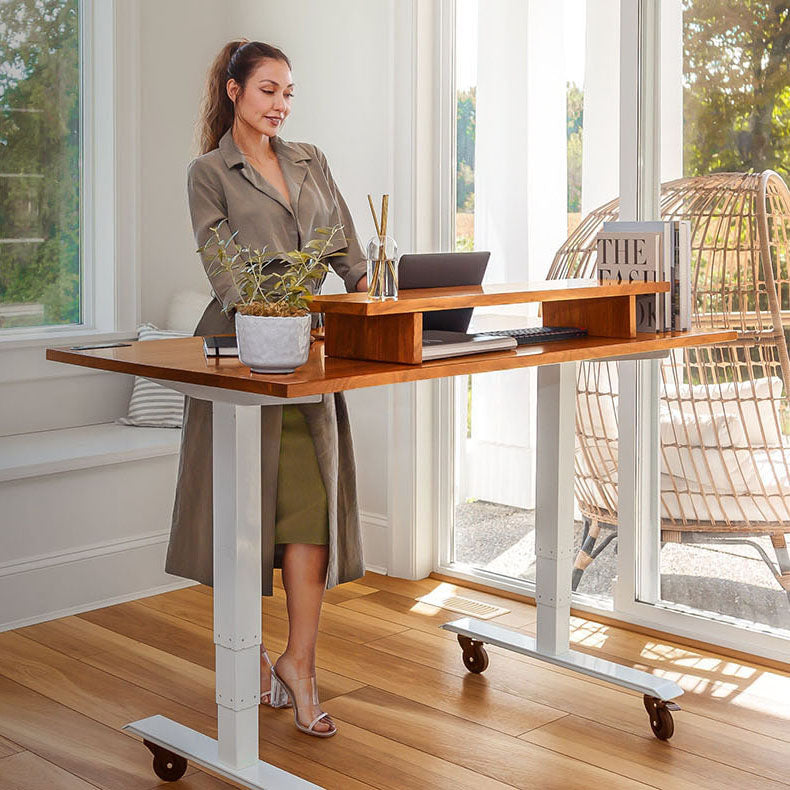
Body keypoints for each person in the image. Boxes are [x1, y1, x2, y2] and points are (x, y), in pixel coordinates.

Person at [165, 39, 369, 738]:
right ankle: (246, 657)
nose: (280, 105)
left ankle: (300, 665)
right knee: (241, 518)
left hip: (308, 361)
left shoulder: (311, 161)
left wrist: (379, 300)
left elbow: (349, 257)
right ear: (233, 91)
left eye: (288, 93)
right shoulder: (207, 172)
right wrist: (290, 299)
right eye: (267, 91)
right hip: (239, 357)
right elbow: (228, 275)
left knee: (309, 521)